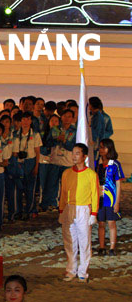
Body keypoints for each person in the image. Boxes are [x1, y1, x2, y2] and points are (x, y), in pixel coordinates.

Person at [59, 143, 98, 283]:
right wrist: (61, 210)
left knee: (84, 241)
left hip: (83, 209)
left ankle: (83, 271)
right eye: (73, 153)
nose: (74, 156)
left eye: (77, 153)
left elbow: (94, 194)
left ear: (84, 156)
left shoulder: (91, 175)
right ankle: (71, 269)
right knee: (70, 241)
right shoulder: (66, 173)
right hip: (70, 208)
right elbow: (63, 193)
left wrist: (93, 213)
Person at [95, 139, 124, 256]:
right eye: (100, 147)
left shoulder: (115, 164)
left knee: (111, 223)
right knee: (101, 223)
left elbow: (118, 184)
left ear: (109, 148)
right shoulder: (97, 163)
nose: (101, 150)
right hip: (100, 198)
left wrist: (117, 202)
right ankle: (102, 246)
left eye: (103, 147)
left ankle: (112, 247)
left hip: (111, 199)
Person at [12, 112, 42, 220]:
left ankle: (29, 211)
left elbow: (38, 152)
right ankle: (18, 211)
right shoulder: (15, 134)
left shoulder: (35, 134)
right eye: (23, 120)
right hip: (19, 163)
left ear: (31, 121)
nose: (25, 122)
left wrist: (36, 166)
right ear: (20, 121)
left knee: (30, 189)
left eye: (28, 119)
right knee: (19, 189)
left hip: (31, 162)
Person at [46, 110, 76, 212]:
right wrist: (56, 140)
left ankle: (65, 204)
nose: (67, 119)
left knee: (66, 185)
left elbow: (74, 147)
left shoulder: (74, 131)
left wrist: (65, 142)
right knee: (52, 184)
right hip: (55, 160)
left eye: (69, 117)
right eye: (65, 116)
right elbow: (48, 142)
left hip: (68, 162)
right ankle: (52, 204)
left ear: (72, 119)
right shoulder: (55, 129)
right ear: (61, 117)